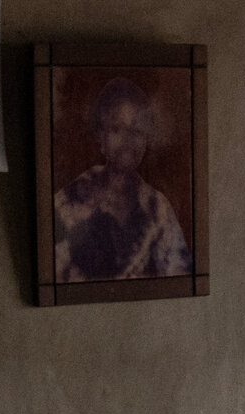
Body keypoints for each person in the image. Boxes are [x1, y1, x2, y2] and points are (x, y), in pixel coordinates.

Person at [52, 77, 192, 282]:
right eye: (117, 129)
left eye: (137, 131)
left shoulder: (158, 207)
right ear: (101, 136)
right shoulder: (66, 204)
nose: (128, 141)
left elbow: (178, 276)